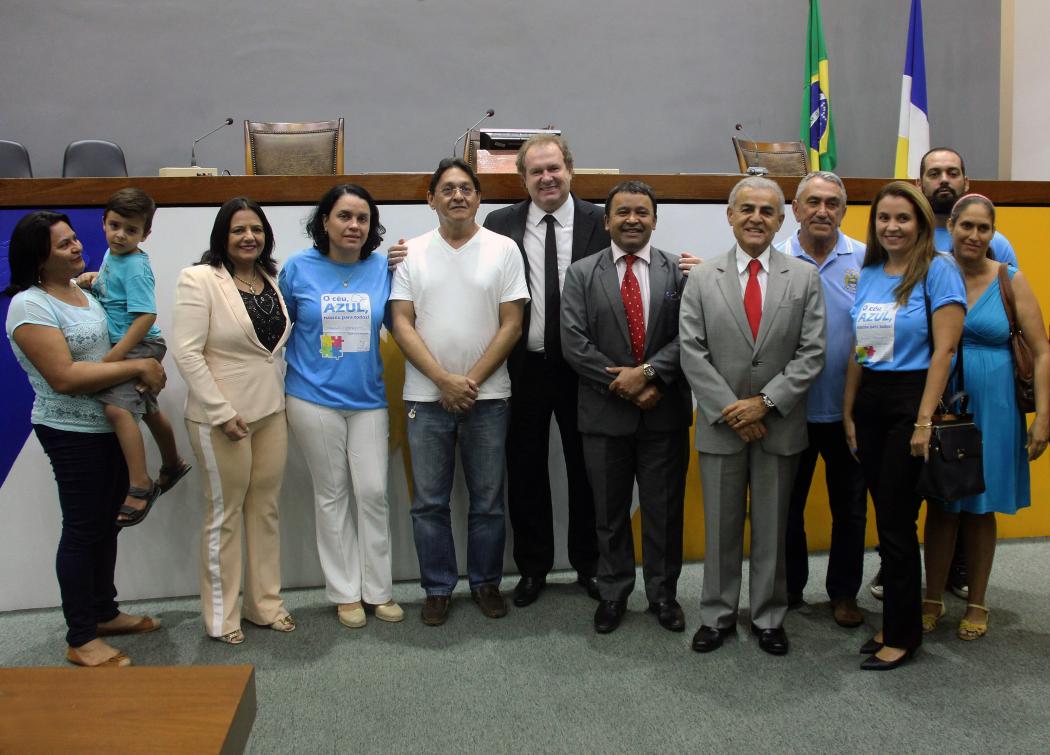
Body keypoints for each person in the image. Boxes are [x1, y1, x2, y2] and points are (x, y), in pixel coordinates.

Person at [5, 211, 165, 667]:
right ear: (38, 258)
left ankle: (104, 612)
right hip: (70, 430)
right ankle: (80, 636)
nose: (77, 247)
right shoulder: (29, 305)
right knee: (81, 531)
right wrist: (138, 367)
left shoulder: (81, 290)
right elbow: (64, 376)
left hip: (107, 425)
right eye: (63, 245)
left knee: (105, 525)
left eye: (75, 239)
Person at [680, 176, 825, 657]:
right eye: (747, 209)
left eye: (767, 211)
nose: (756, 218)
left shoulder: (804, 278)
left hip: (779, 424)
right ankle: (718, 614)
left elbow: (811, 354)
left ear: (781, 219)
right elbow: (692, 353)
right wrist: (733, 410)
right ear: (730, 215)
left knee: (771, 528)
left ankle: (768, 616)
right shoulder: (701, 278)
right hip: (722, 426)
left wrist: (762, 404)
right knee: (721, 527)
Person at [390, 158, 529, 626]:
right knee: (429, 502)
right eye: (447, 189)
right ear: (431, 198)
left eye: (466, 188)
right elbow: (401, 321)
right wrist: (442, 380)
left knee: (488, 500)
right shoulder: (410, 252)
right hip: (426, 399)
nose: (457, 195)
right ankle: (437, 587)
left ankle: (486, 583)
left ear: (479, 197)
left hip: (488, 398)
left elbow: (513, 323)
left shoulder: (504, 249)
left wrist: (467, 381)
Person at [481, 134, 608, 607]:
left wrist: (685, 266)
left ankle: (589, 565)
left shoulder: (601, 220)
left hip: (586, 370)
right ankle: (533, 567)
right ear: (524, 179)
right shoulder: (500, 223)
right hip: (524, 368)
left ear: (570, 170)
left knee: (588, 470)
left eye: (553, 168)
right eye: (536, 172)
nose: (546, 178)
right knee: (526, 469)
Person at [843, 181, 966, 670]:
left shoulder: (939, 270)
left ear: (920, 222)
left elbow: (945, 350)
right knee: (886, 517)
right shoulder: (870, 272)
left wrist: (922, 421)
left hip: (913, 400)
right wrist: (849, 411)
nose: (892, 227)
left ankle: (903, 635)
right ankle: (897, 618)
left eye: (903, 218)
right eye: (883, 219)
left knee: (896, 523)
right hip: (871, 398)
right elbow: (861, 349)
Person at [560, 180, 692, 635]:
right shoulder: (580, 273)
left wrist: (650, 373)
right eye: (622, 212)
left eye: (641, 212)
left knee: (664, 512)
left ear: (654, 219)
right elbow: (574, 344)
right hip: (602, 414)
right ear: (606, 221)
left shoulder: (679, 272)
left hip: (664, 414)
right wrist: (627, 384)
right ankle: (613, 592)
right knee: (608, 514)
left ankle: (663, 595)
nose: (632, 219)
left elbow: (689, 338)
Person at [921, 194, 1049, 640]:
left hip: (996, 406)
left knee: (979, 508)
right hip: (943, 403)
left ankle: (977, 601)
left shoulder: (1009, 280)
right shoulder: (932, 272)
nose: (974, 235)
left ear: (993, 234)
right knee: (942, 504)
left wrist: (1045, 416)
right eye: (966, 226)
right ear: (951, 227)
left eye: (984, 228)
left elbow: (1043, 350)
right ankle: (932, 596)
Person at [171, 197, 296, 645]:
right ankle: (223, 618)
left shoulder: (270, 280)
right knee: (224, 516)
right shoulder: (199, 279)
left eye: (256, 229)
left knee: (265, 510)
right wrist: (221, 412)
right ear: (222, 236)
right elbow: (186, 351)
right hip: (220, 418)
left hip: (270, 412)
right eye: (239, 230)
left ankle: (265, 605)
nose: (249, 237)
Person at [279, 184, 403, 629]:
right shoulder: (297, 268)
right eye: (344, 216)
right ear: (325, 222)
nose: (354, 225)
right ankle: (346, 593)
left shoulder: (382, 269)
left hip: (369, 399)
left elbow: (401, 322)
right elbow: (279, 327)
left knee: (372, 493)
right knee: (331, 496)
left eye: (362, 218)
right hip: (313, 399)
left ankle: (379, 591)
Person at [914, 147, 1017, 601]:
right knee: (923, 486)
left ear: (965, 180)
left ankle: (960, 575)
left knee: (969, 485)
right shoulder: (911, 235)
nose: (943, 179)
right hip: (924, 378)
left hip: (984, 387)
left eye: (952, 172)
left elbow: (1011, 312)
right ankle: (901, 570)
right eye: (934, 172)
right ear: (920, 182)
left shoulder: (1000, 246)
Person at [777, 172, 868, 628]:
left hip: (849, 412)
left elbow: (873, 337)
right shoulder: (775, 259)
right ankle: (790, 587)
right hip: (790, 410)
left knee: (850, 507)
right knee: (787, 507)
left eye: (833, 203)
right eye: (813, 201)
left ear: (844, 211)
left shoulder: (866, 261)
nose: (823, 211)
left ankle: (844, 593)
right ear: (795, 208)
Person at [75, 188, 190, 526]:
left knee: (116, 407)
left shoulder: (136, 265)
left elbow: (145, 317)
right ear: (104, 223)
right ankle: (173, 463)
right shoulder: (114, 257)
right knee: (149, 408)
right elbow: (116, 293)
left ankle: (141, 484)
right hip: (132, 345)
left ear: (146, 234)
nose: (121, 235)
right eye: (115, 225)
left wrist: (115, 358)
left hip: (140, 344)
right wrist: (94, 281)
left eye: (131, 230)